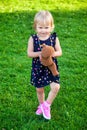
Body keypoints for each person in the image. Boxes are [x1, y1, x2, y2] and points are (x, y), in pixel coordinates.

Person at [27, 10, 62, 120]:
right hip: (38, 68)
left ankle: (46, 105)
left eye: (46, 27)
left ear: (51, 27)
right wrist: (40, 54)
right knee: (39, 90)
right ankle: (41, 105)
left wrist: (51, 54)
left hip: (51, 67)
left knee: (56, 87)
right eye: (40, 27)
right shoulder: (33, 39)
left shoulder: (54, 38)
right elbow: (29, 53)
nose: (43, 30)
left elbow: (59, 52)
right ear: (35, 27)